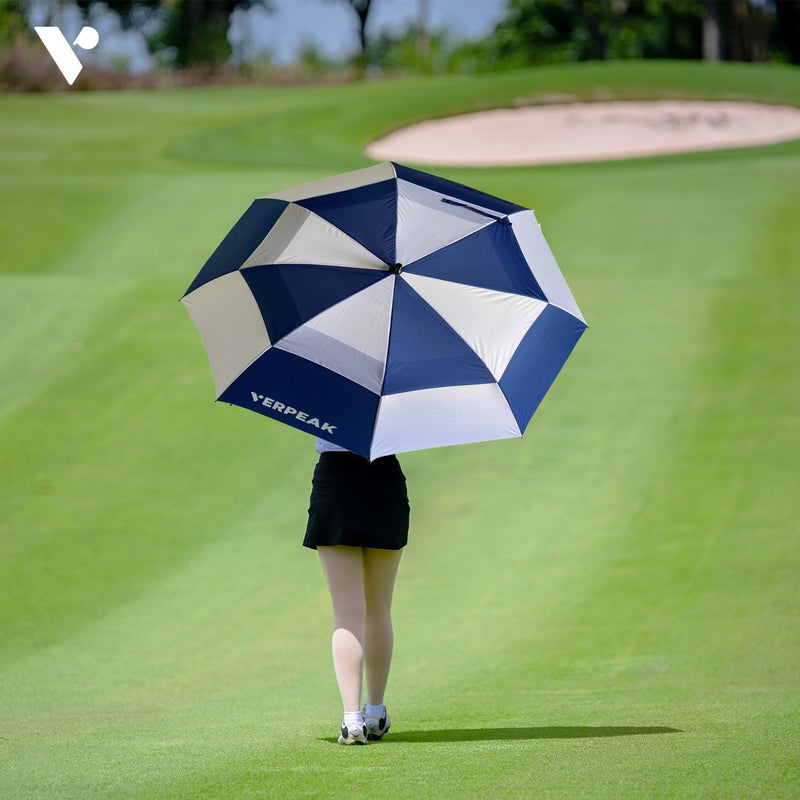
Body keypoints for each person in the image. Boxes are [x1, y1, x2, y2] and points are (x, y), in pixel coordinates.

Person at [304, 437, 410, 745]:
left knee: (347, 613)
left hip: (336, 481)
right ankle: (375, 713)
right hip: (384, 478)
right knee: (379, 609)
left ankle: (352, 720)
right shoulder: (394, 391)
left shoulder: (326, 386)